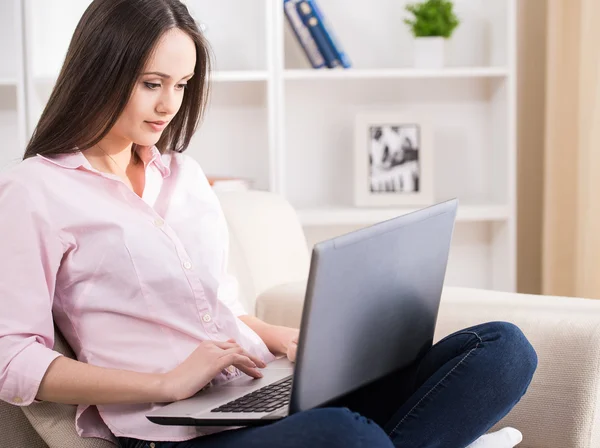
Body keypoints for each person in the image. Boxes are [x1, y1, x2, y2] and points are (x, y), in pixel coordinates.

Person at [0, 1, 537, 447]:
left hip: (252, 388)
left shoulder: (184, 176)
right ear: (102, 72)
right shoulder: (36, 191)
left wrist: (283, 339)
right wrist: (164, 381)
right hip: (179, 429)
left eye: (182, 84)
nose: (169, 105)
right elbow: (12, 359)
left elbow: (216, 308)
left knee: (503, 349)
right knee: (346, 437)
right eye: (151, 83)